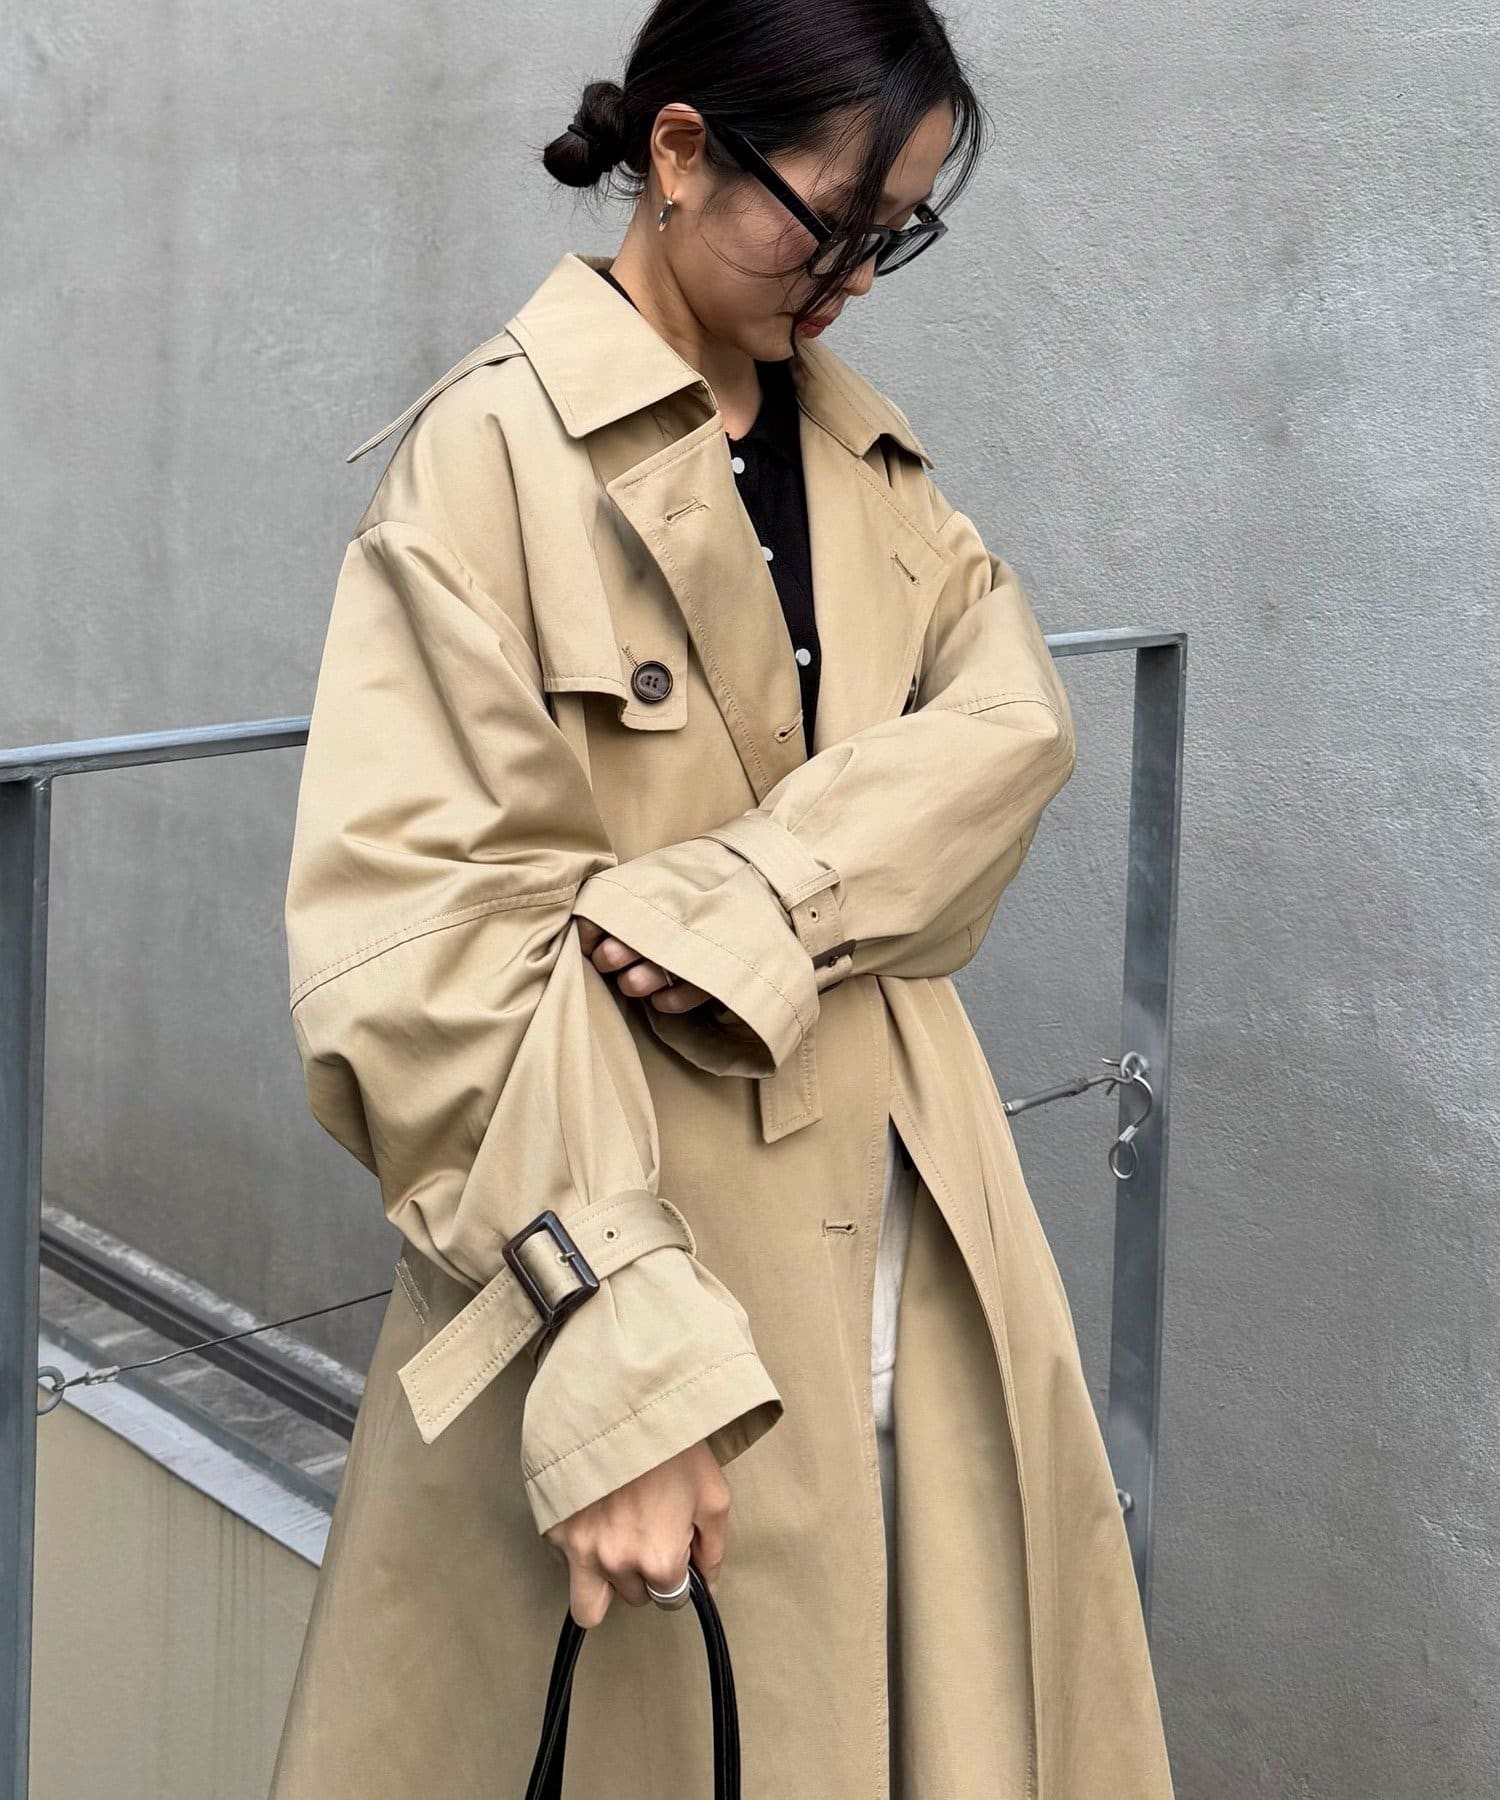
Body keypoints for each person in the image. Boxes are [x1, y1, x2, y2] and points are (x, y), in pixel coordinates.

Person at [270, 4, 1177, 1797]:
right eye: (831, 225)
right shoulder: (488, 460)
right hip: (624, 1243)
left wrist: (747, 894)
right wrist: (622, 1355)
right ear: (679, 153)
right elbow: (422, 958)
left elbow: (1012, 725)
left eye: (896, 236)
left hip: (919, 1237)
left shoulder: (866, 458)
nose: (855, 282)